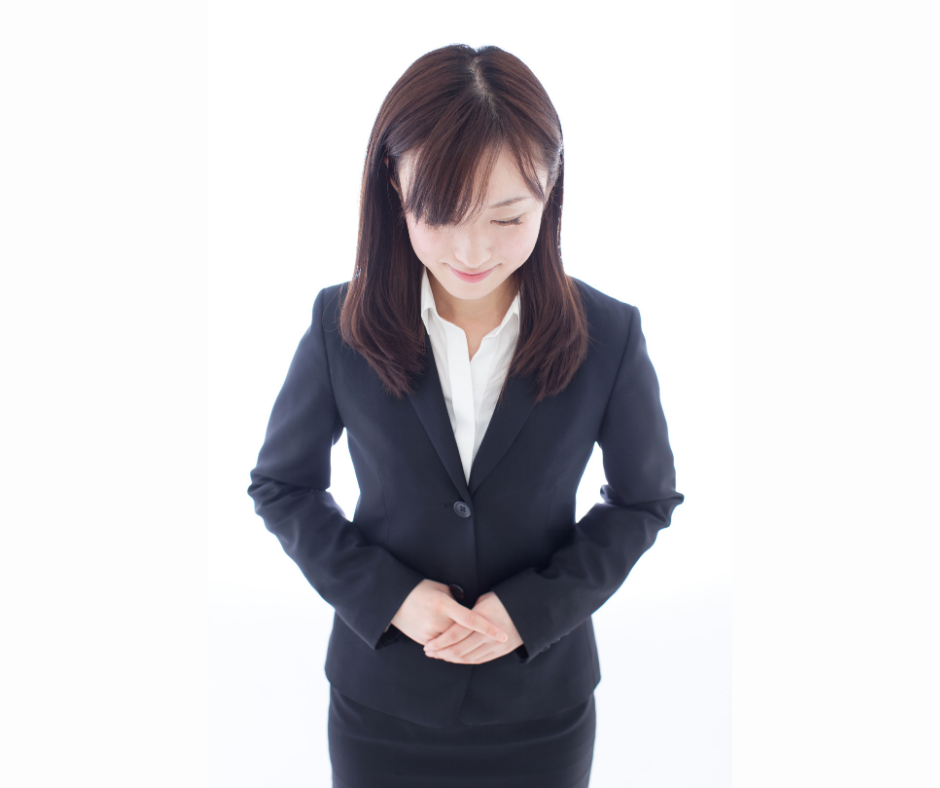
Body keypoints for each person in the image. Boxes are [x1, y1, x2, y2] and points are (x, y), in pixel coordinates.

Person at [247, 43, 684, 788]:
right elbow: (282, 488)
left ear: (552, 190)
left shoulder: (609, 333)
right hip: (381, 702)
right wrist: (392, 600)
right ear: (394, 184)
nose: (474, 250)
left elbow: (643, 501)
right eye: (442, 215)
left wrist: (530, 612)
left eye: (509, 217)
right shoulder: (340, 323)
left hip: (540, 703)